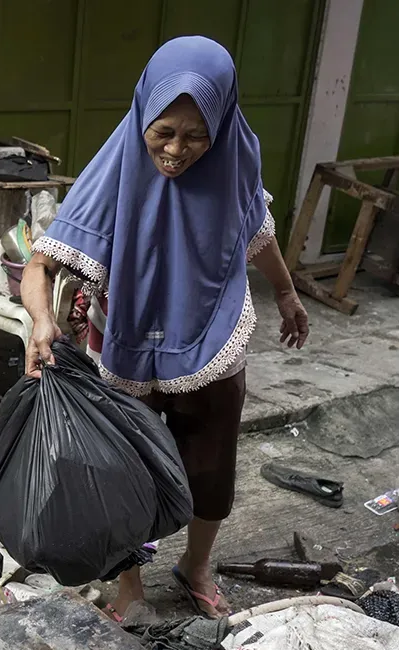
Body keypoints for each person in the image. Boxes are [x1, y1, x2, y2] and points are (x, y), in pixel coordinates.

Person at [19, 36, 310, 620]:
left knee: (210, 466)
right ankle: (130, 586)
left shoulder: (235, 158)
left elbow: (257, 231)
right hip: (122, 340)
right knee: (122, 471)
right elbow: (39, 266)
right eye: (164, 131)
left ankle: (195, 566)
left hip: (212, 338)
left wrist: (285, 292)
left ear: (221, 121)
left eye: (195, 135)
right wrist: (42, 321)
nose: (177, 150)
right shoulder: (117, 164)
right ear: (144, 115)